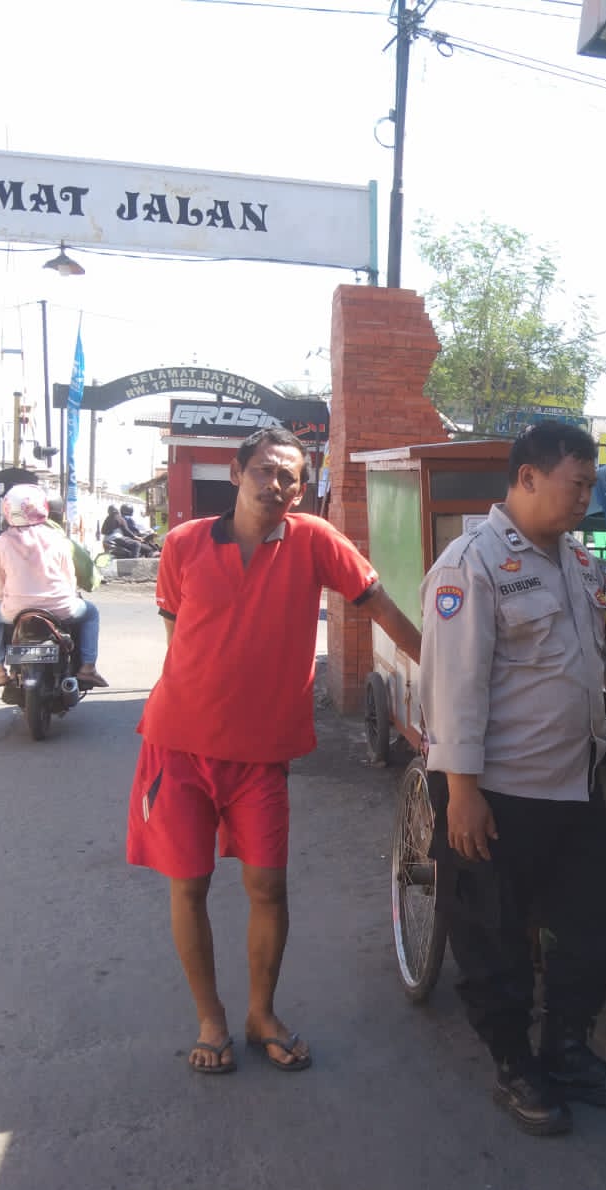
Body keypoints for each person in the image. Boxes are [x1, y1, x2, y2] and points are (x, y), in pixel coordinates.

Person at [418, 421, 606, 1136]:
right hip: (494, 792)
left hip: (572, 784)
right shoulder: (472, 565)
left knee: (595, 920)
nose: (586, 498)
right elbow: (452, 687)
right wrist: (462, 793)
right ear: (527, 478)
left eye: (591, 486)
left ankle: (568, 1049)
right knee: (495, 938)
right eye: (575, 484)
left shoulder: (579, 562)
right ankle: (515, 1065)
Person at [126, 427, 421, 1075]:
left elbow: (378, 606)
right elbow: (177, 636)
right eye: (264, 470)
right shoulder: (183, 544)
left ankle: (262, 1013)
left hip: (261, 755)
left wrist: (437, 665)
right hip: (179, 747)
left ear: (301, 489)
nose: (277, 484)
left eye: (290, 476)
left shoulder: (315, 541)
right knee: (189, 885)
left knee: (268, 886)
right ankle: (211, 1019)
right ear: (237, 474)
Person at [0, 484, 107, 688]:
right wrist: (69, 595)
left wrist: (4, 600)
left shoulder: (0, 542)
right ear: (41, 507)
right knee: (91, 613)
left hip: (15, 610)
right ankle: (88, 668)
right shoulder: (58, 539)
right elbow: (69, 577)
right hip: (61, 609)